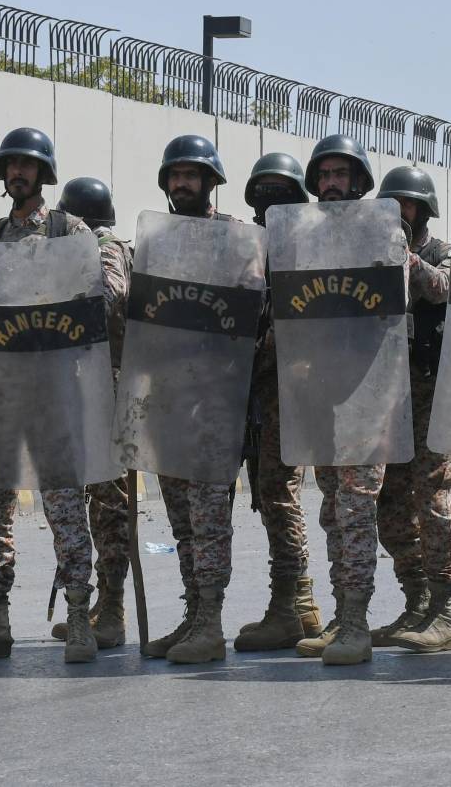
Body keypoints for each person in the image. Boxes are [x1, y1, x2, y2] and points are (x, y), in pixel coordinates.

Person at [0, 129, 126, 664]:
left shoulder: (71, 231)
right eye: (11, 165)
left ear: (44, 174)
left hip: (55, 393)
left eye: (28, 166)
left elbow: (109, 291)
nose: (18, 173)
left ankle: (78, 616)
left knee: (65, 508)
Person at [293, 134, 437, 666]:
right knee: (333, 509)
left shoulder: (386, 234)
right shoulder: (300, 237)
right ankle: (342, 614)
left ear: (358, 183)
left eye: (340, 174)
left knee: (355, 510)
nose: (331, 183)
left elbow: (389, 300)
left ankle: (355, 620)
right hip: (319, 394)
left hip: (370, 390)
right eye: (324, 175)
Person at [141, 135, 249, 665]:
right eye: (174, 175)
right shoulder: (155, 242)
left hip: (214, 403)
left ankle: (210, 622)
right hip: (167, 403)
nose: (181, 183)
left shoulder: (237, 238)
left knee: (209, 520)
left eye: (191, 174)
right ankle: (192, 615)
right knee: (182, 520)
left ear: (210, 181)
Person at [232, 154, 324, 652]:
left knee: (278, 491)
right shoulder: (251, 244)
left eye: (279, 190)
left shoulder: (310, 244)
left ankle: (288, 605)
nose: (269, 199)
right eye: (261, 190)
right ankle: (301, 602)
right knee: (272, 493)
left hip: (296, 386)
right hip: (257, 386)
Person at [372, 166, 451, 653]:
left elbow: (445, 288)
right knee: (390, 504)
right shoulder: (373, 252)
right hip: (384, 392)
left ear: (422, 209)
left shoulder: (440, 252)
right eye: (391, 204)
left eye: (405, 204)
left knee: (436, 500)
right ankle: (416, 599)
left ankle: (443, 610)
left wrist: (408, 262)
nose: (397, 212)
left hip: (429, 391)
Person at [51, 176, 134, 649]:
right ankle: (101, 605)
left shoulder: (106, 246)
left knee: (107, 505)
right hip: (73, 386)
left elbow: (110, 296)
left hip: (106, 387)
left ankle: (114, 607)